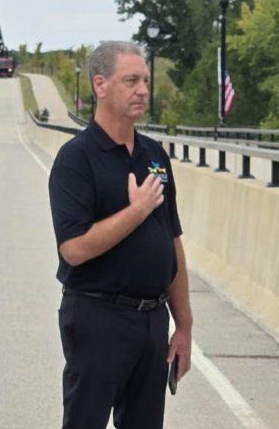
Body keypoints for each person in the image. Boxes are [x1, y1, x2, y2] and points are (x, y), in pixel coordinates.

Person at [49, 41, 193, 429]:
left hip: (151, 319)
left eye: (145, 80)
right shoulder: (76, 159)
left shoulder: (155, 155)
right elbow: (74, 249)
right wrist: (137, 210)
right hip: (98, 316)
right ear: (100, 85)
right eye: (131, 80)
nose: (143, 89)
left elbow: (172, 239)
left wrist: (184, 326)